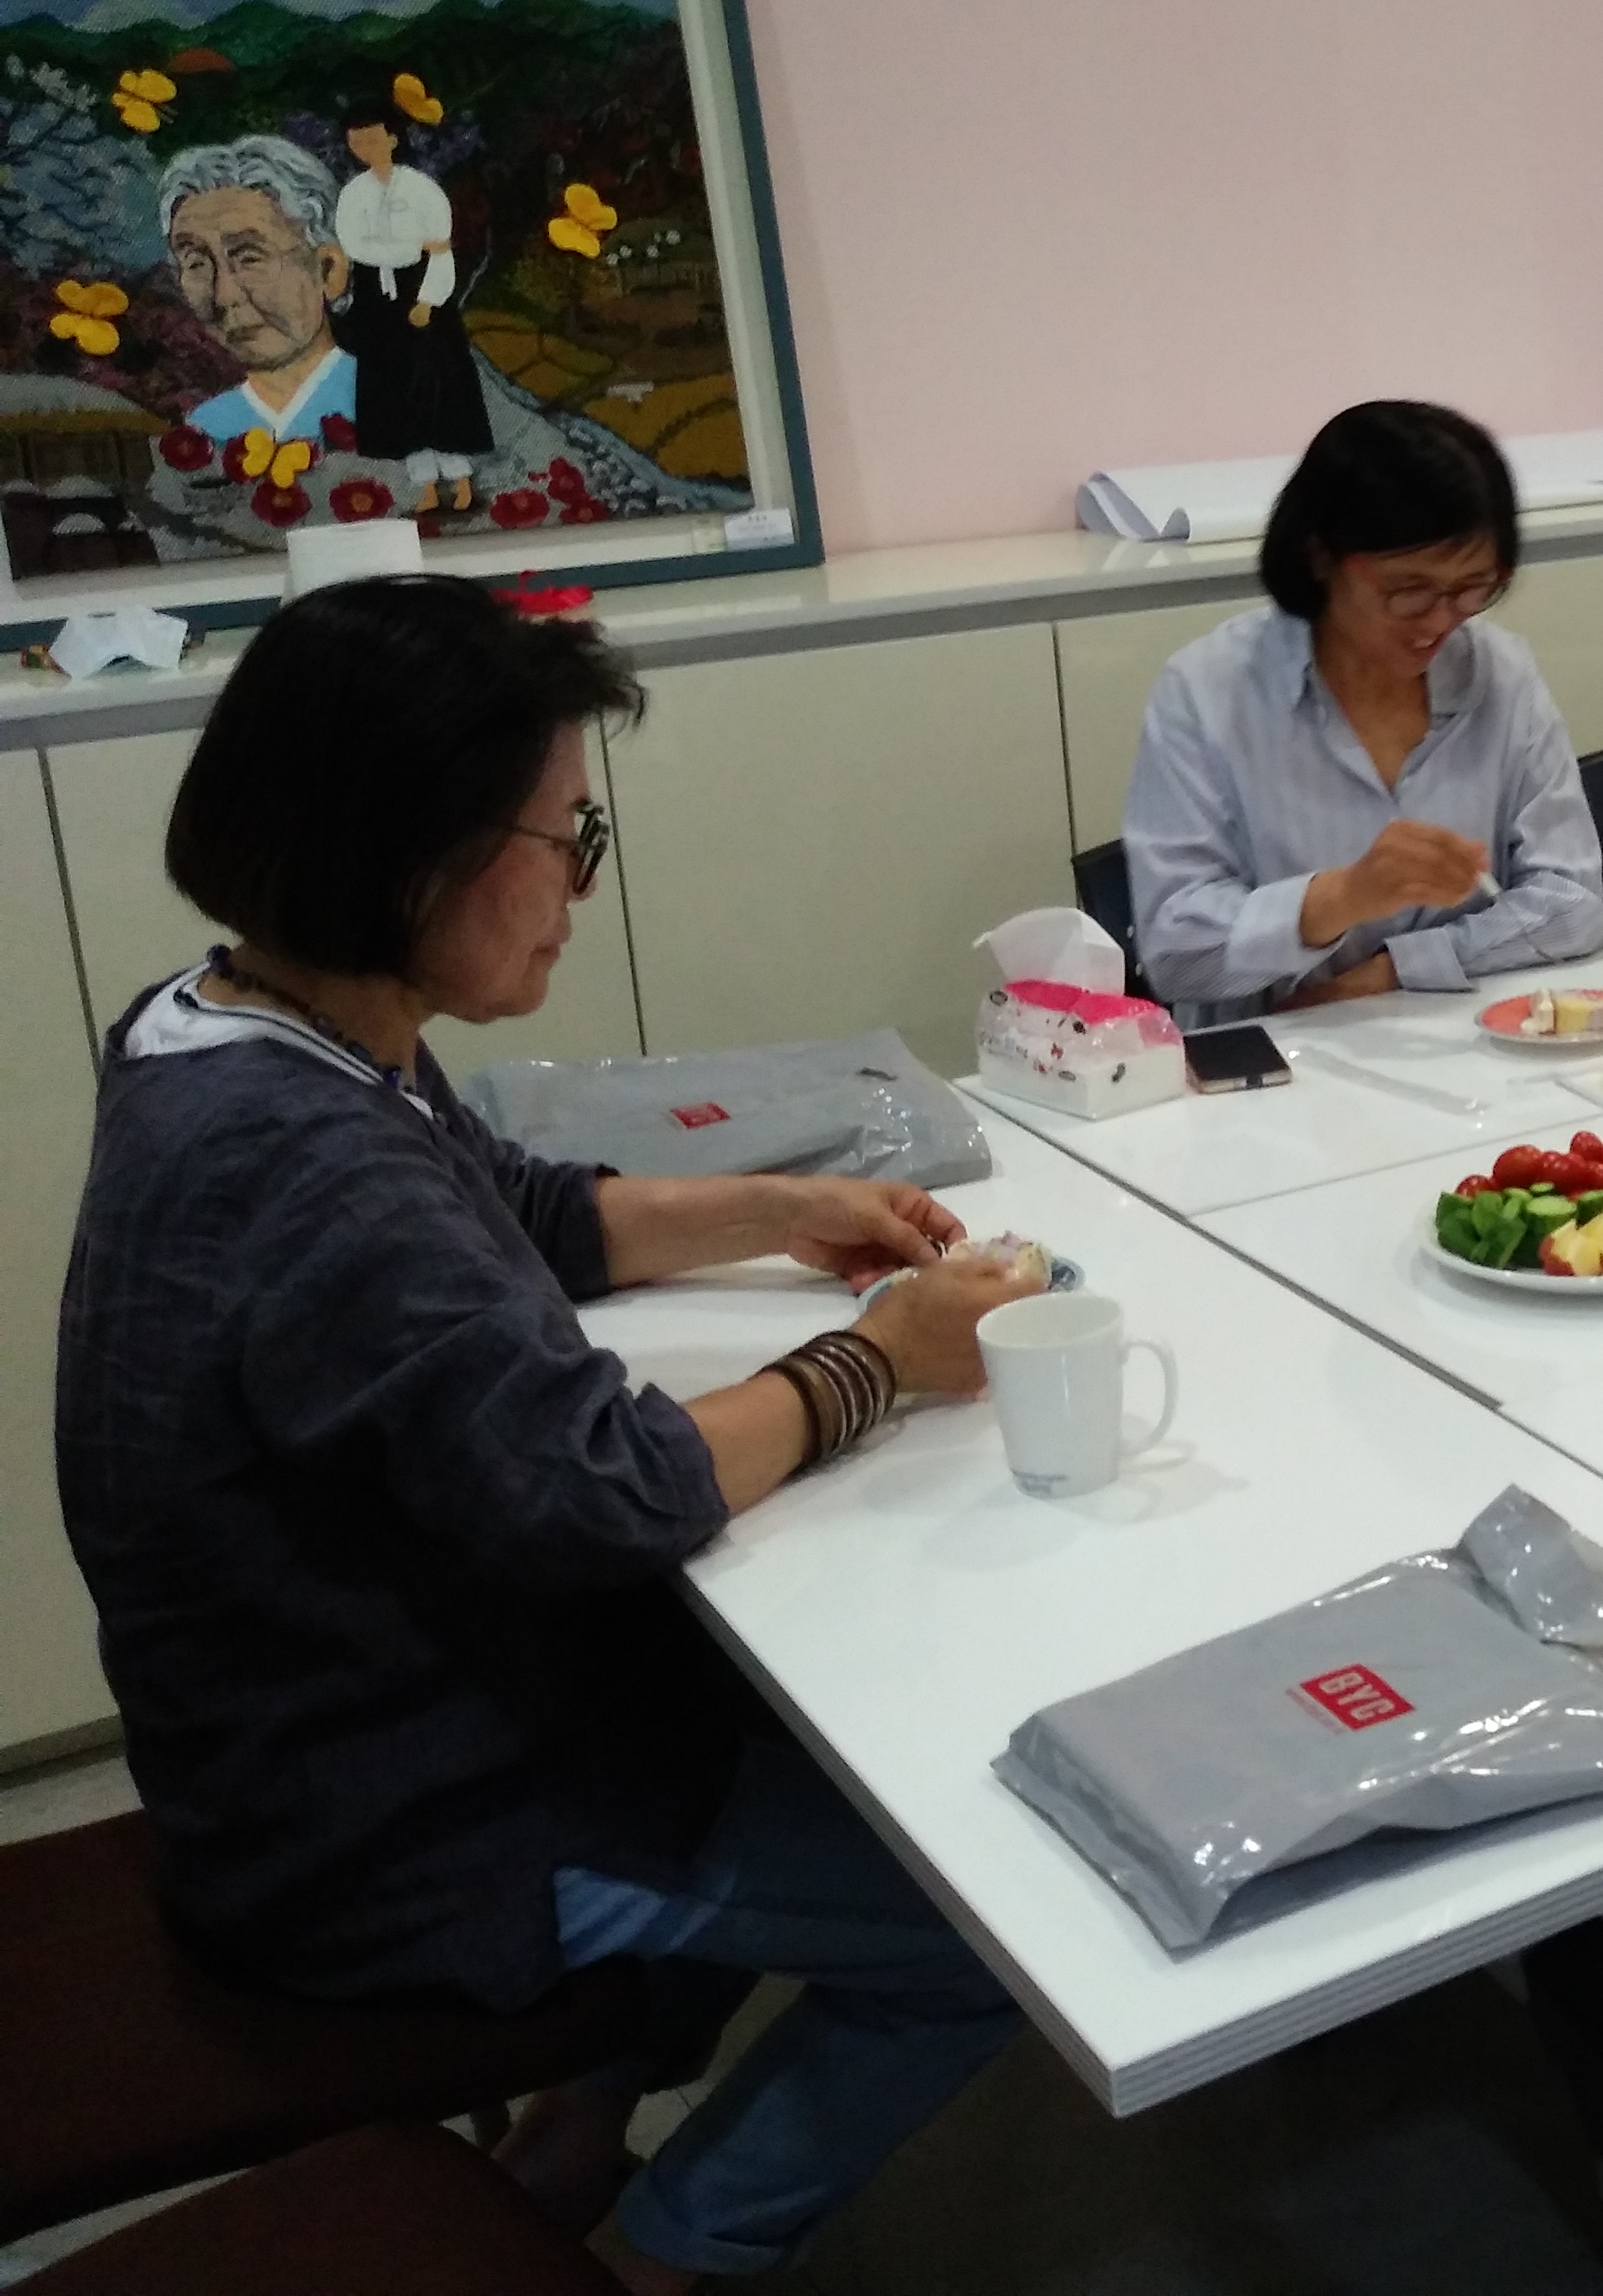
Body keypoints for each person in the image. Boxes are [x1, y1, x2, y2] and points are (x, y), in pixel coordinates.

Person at [56, 577, 1043, 2293]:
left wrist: (780, 1206)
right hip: (400, 1831)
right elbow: (613, 1484)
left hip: (326, 1737)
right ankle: (666, 2257)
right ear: (411, 853)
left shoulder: (244, 1024)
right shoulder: (303, 1162)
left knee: (804, 1745)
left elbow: (510, 1206)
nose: (581, 886)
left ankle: (572, 2126)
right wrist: (878, 1360)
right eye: (565, 836)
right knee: (991, 1934)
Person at [1124, 399, 1603, 1012]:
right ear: (1320, 556)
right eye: (1409, 590)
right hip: (1274, 1049)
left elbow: (1573, 901)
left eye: (1471, 588)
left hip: (1460, 1035)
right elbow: (1176, 956)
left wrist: (1398, 969)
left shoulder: (1500, 674)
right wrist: (1340, 898)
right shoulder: (1207, 692)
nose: (1439, 621)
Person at [333, 95, 495, 510]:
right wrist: (407, 247)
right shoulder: (354, 194)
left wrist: (428, 300)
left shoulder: (421, 189)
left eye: (372, 139)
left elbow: (440, 251)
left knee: (438, 384)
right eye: (356, 142)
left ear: (392, 138)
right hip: (376, 298)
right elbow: (355, 245)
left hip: (423, 293)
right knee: (395, 390)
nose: (365, 149)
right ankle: (424, 486)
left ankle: (461, 482)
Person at [156, 134, 357, 456]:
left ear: (328, 270)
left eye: (250, 259)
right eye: (196, 264)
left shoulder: (393, 404)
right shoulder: (202, 435)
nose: (224, 296)